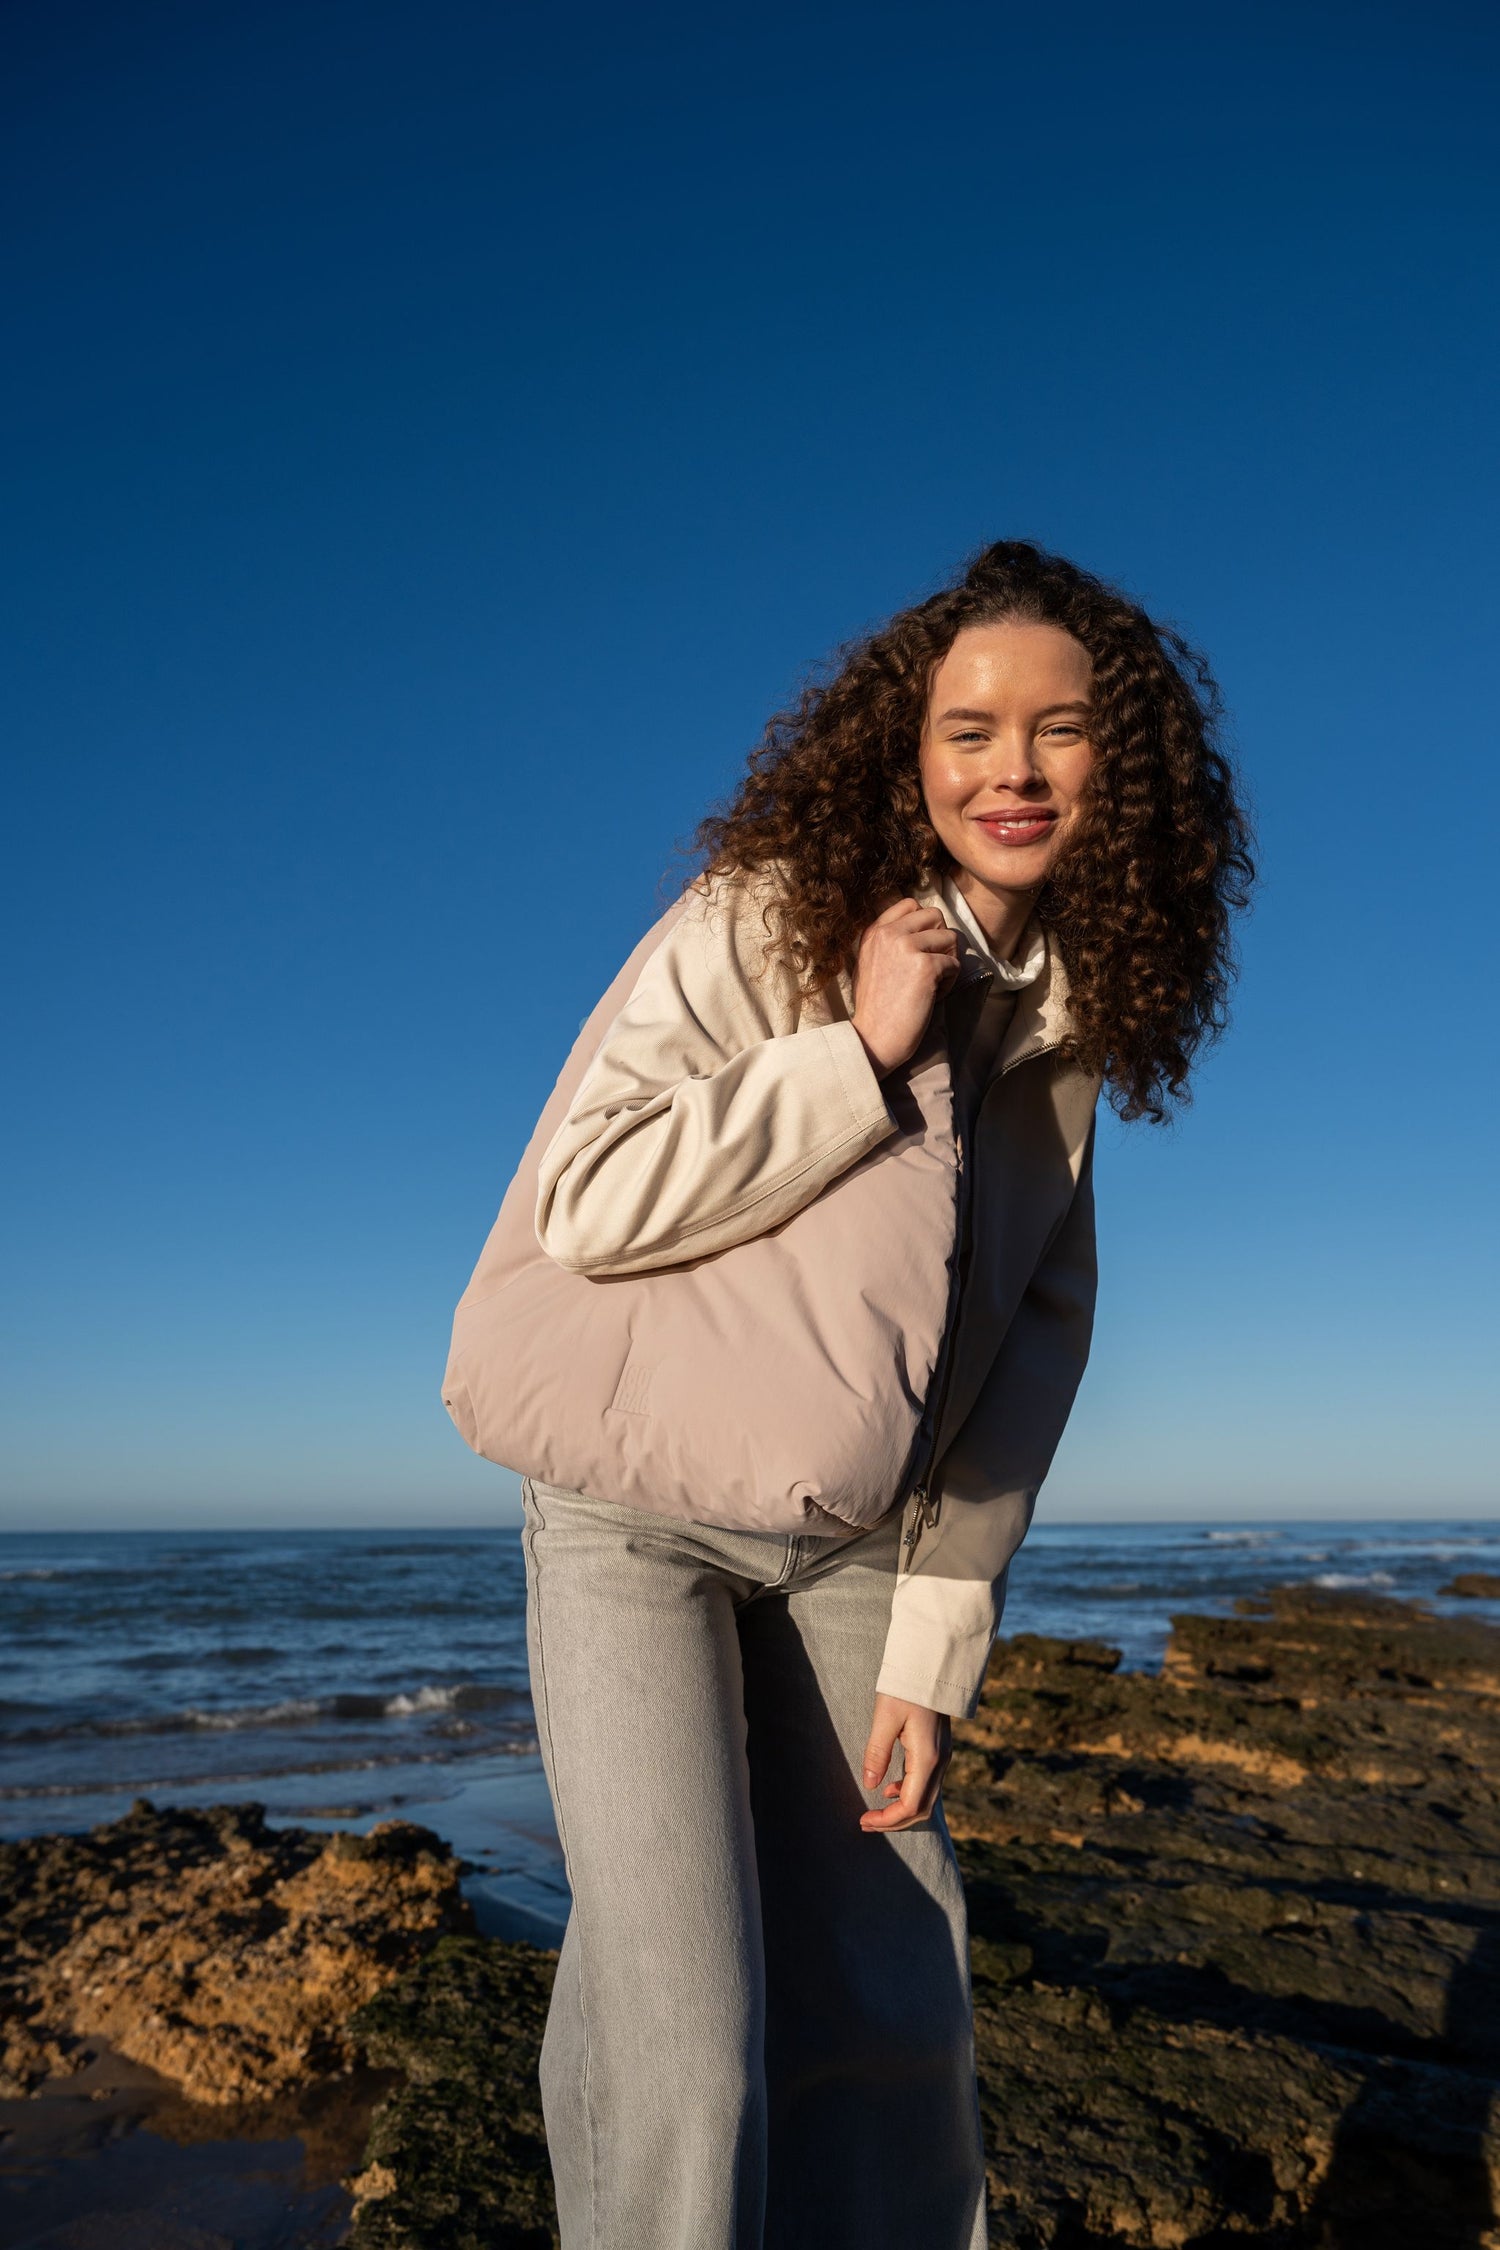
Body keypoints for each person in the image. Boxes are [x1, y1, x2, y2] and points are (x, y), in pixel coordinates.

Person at [443, 538, 1253, 2249]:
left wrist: (937, 1639)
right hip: (634, 1518)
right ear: (908, 751)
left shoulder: (1067, 1027)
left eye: (1060, 729)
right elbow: (589, 1195)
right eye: (968, 730)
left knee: (894, 2014)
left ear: (1131, 763)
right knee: (681, 2037)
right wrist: (857, 1057)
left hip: (855, 1546)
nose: (1011, 769)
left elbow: (1028, 1350)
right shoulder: (768, 909)